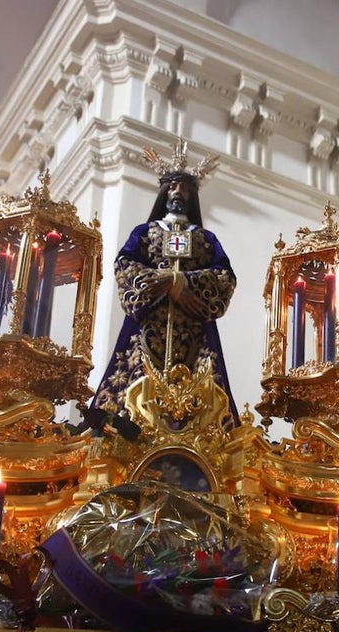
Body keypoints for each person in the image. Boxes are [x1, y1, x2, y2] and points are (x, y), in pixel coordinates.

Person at [84, 140, 237, 434]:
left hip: (194, 333)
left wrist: (181, 282)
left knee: (204, 402)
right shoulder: (146, 233)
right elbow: (124, 264)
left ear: (192, 196)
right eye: (172, 187)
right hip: (147, 331)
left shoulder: (205, 239)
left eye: (184, 188)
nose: (177, 192)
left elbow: (225, 276)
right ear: (164, 192)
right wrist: (159, 282)